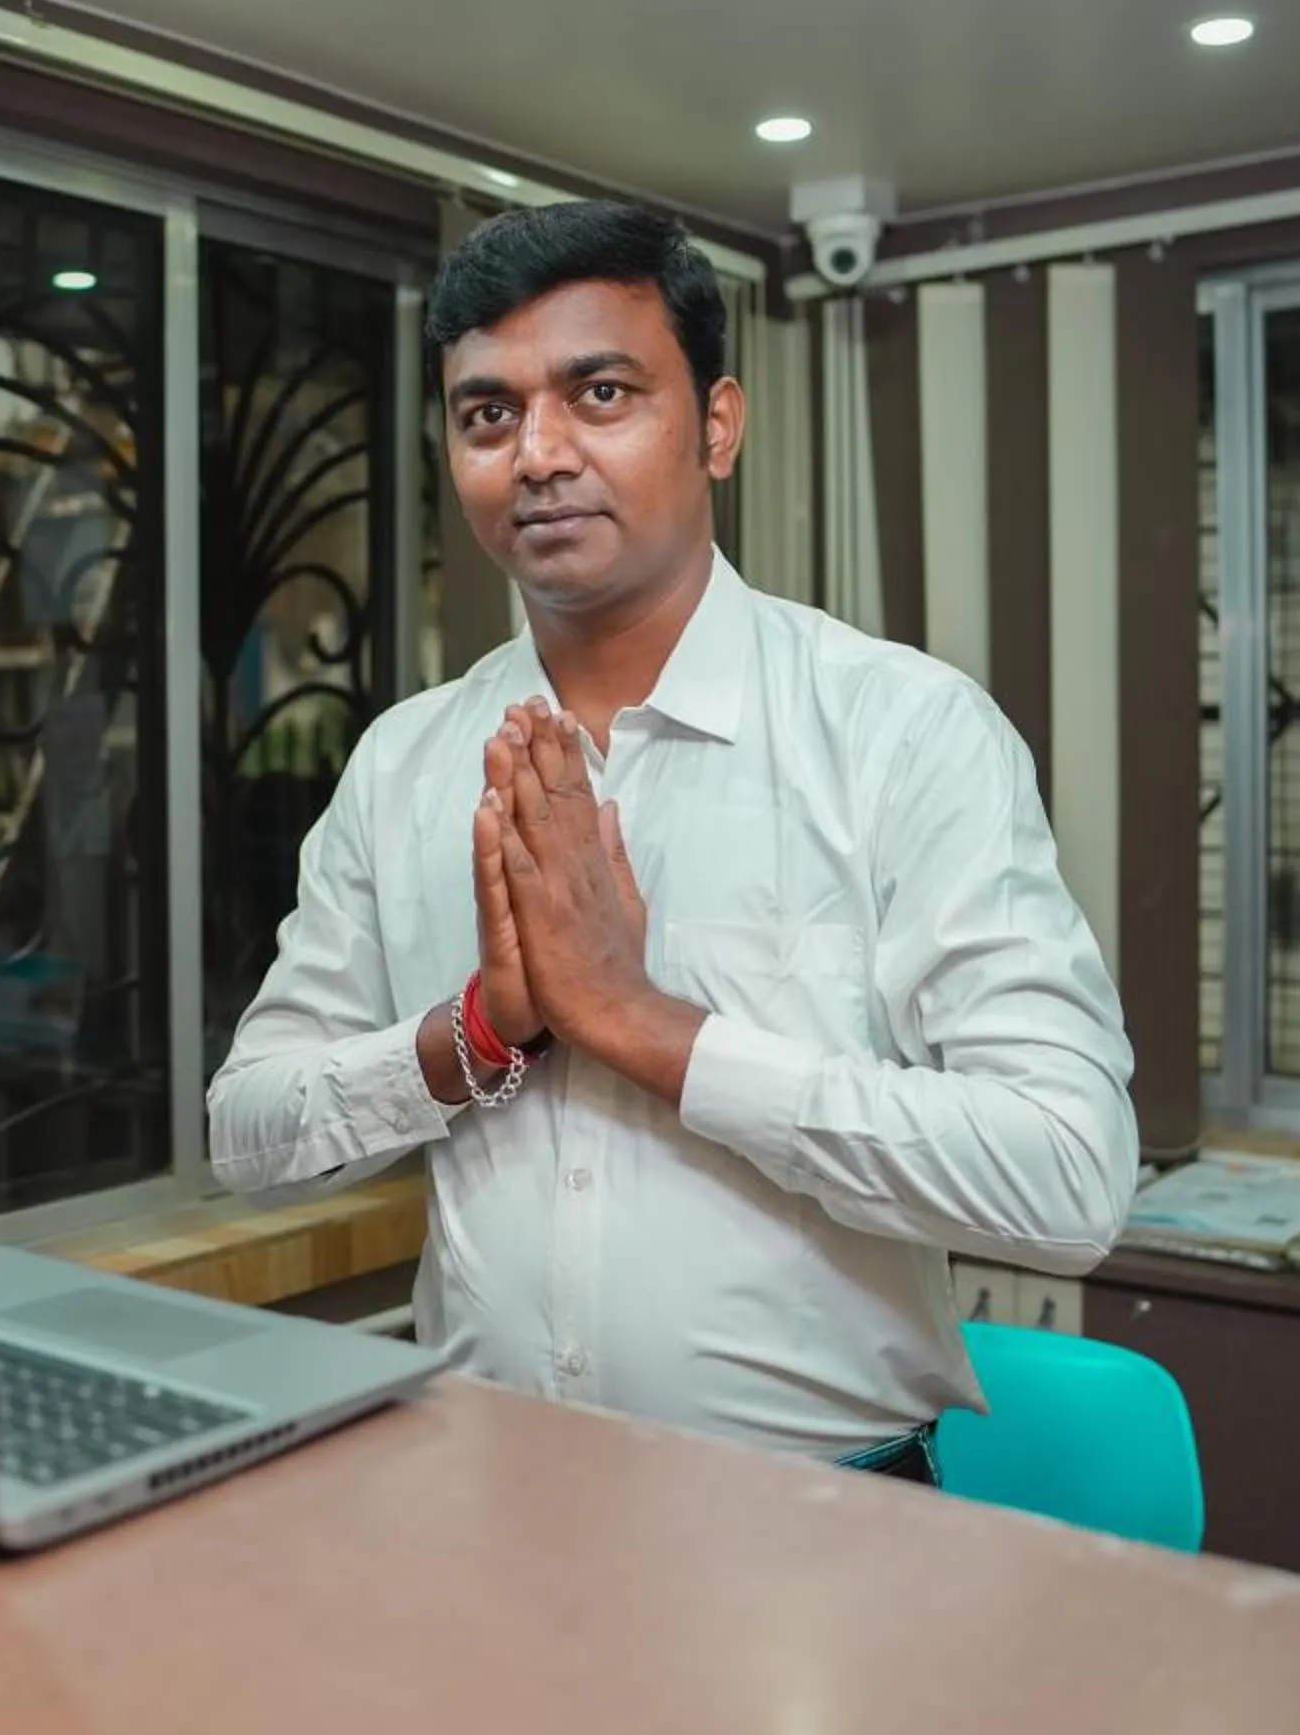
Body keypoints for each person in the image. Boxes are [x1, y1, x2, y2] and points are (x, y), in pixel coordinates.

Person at [207, 200, 1136, 1481]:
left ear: (717, 424)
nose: (539, 453)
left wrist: (645, 1025)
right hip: (490, 1493)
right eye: (488, 413)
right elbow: (249, 1137)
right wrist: (479, 1033)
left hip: (820, 1523)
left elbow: (1070, 1173)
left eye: (600, 393)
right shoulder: (405, 761)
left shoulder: (901, 732)